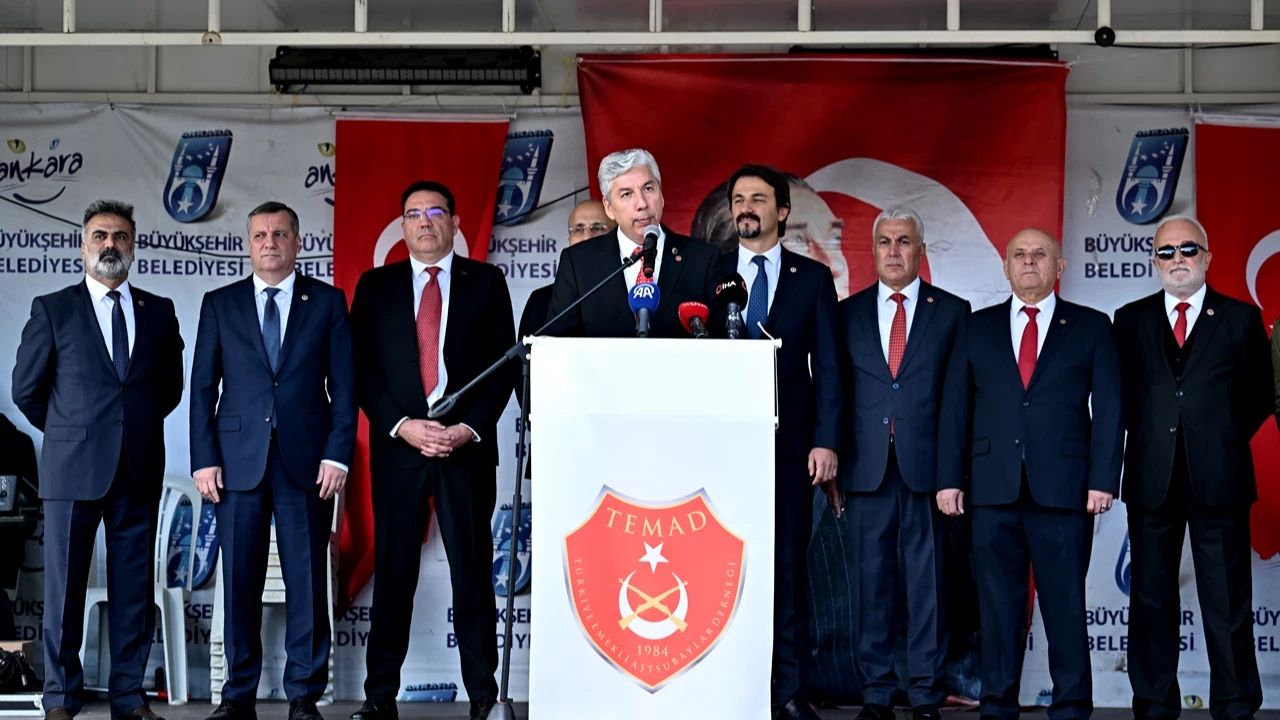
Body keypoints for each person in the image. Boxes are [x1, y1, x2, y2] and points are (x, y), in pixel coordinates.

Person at [938, 228, 1122, 720]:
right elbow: (955, 409)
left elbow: (1110, 409)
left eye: (1040, 254)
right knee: (998, 609)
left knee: (1065, 606)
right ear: (1005, 267)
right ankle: (997, 706)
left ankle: (1071, 708)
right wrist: (948, 479)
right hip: (991, 489)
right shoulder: (975, 328)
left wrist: (1103, 479)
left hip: (1064, 492)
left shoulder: (1091, 326)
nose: (1028, 261)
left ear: (1059, 267)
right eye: (1019, 254)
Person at [11, 200, 184, 720]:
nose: (111, 244)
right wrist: (71, 432)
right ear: (83, 246)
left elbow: (168, 389)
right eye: (100, 236)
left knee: (135, 592)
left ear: (134, 246)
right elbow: (26, 391)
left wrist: (126, 430)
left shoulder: (159, 311)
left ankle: (129, 697)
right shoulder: (53, 309)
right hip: (71, 471)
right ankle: (61, 697)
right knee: (65, 590)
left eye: (121, 236)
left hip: (137, 467)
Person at [349, 180, 515, 720]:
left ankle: (484, 696)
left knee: (472, 573)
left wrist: (467, 428)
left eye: (436, 212)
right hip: (401, 450)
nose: (424, 221)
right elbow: (361, 371)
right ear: (402, 226)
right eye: (414, 213)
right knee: (395, 573)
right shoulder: (376, 287)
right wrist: (402, 426)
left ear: (455, 223)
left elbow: (504, 367)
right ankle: (379, 696)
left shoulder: (486, 283)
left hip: (464, 450)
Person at [189, 201, 356, 720]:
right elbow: (202, 388)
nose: (269, 242)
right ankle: (237, 695)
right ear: (248, 243)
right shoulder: (220, 303)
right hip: (236, 462)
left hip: (307, 461)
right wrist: (203, 458)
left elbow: (345, 387)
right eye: (260, 234)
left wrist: (338, 454)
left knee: (307, 580)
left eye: (280, 233)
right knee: (239, 579)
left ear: (297, 242)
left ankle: (303, 694)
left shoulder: (327, 302)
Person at [1113, 216, 1272, 720]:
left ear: (1207, 257)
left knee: (1227, 604)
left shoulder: (1241, 319)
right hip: (1151, 479)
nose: (1177, 259)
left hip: (1220, 480)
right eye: (1166, 251)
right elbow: (1121, 398)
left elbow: (1260, 395)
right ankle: (1154, 706)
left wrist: (1217, 438)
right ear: (1153, 261)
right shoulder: (1129, 320)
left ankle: (1235, 706)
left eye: (1188, 249)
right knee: (1151, 601)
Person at [708, 165, 841, 720]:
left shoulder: (812, 278)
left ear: (782, 211)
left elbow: (829, 368)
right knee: (721, 566)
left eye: (758, 199)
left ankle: (786, 691)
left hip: (788, 448)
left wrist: (825, 441)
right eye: (739, 198)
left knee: (785, 568)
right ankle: (728, 688)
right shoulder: (708, 272)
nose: (746, 207)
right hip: (718, 450)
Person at [837, 208, 969, 720]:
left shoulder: (951, 312)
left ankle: (924, 694)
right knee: (871, 587)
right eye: (885, 242)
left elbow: (958, 402)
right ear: (873, 251)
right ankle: (876, 693)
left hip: (928, 473)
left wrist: (952, 474)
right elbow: (836, 392)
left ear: (921, 250)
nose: (894, 250)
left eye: (904, 241)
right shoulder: (847, 313)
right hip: (865, 469)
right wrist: (835, 459)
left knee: (927, 588)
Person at [545, 148, 718, 337]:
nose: (642, 203)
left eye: (648, 189)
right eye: (627, 194)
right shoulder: (579, 262)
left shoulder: (703, 259)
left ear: (661, 196)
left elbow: (722, 340)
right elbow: (557, 340)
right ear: (608, 207)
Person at [517, 198, 614, 340]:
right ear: (569, 239)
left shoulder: (631, 292)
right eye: (578, 229)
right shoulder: (541, 299)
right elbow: (527, 352)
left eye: (598, 228)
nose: (587, 238)